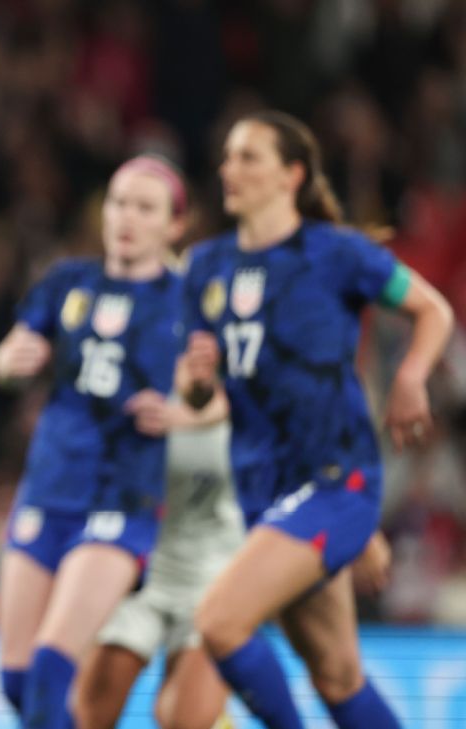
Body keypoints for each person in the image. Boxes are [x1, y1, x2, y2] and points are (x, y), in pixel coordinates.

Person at [180, 110, 454, 729]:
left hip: (335, 480)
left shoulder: (338, 253)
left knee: (221, 621)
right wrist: (196, 384)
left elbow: (432, 311)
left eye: (249, 156)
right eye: (227, 156)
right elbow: (199, 392)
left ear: (292, 175)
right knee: (336, 674)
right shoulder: (205, 267)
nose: (230, 168)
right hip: (262, 490)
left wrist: (411, 376)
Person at [0, 155, 189, 728]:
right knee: (18, 682)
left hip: (122, 499)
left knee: (53, 673)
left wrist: (185, 414)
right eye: (119, 202)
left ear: (173, 226)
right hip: (48, 487)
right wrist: (11, 362)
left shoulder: (189, 300)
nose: (127, 216)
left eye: (145, 207)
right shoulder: (66, 282)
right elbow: (5, 358)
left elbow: (228, 398)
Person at [73, 392, 241, 729]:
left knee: (185, 720)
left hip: (211, 570)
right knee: (89, 717)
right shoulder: (134, 370)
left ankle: (212, 716)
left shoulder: (242, 376)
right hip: (138, 562)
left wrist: (187, 417)